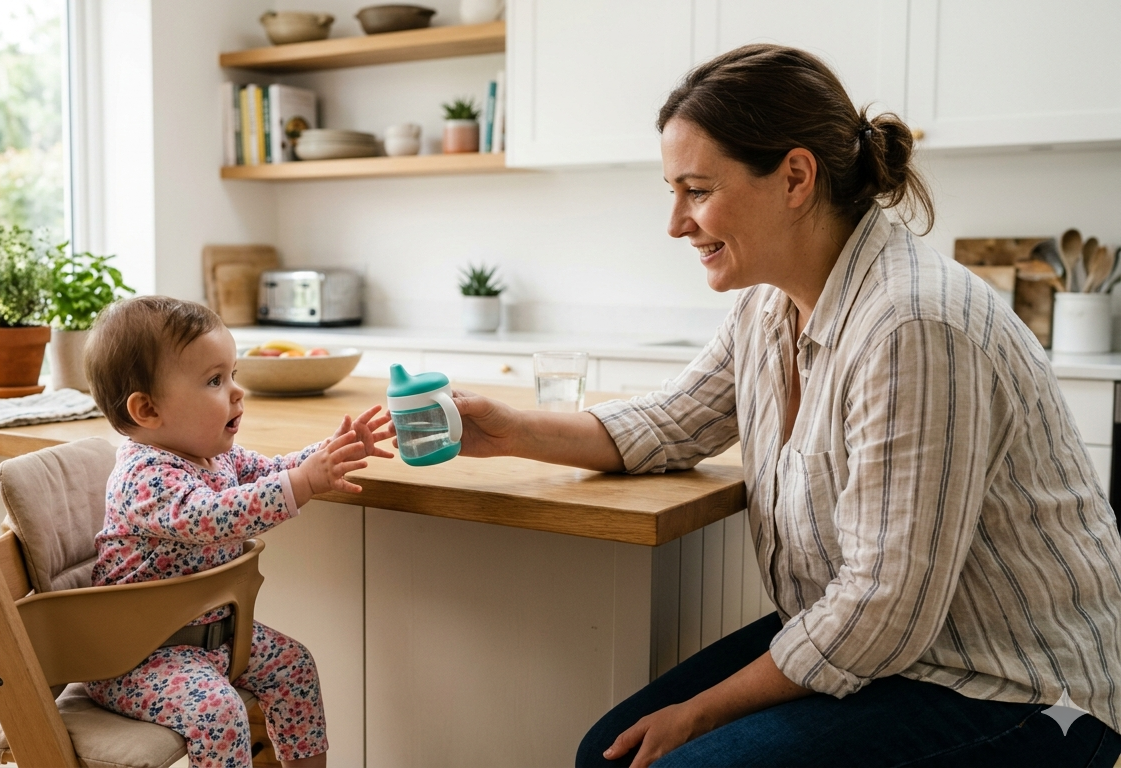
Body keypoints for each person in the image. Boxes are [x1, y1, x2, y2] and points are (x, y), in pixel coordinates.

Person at [449, 45, 1121, 768]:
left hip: (1007, 687)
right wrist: (508, 429)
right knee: (606, 755)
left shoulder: (912, 326)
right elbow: (671, 425)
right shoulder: (770, 306)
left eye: (697, 190)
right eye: (672, 191)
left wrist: (695, 714)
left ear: (796, 177)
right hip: (887, 653)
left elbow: (880, 608)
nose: (676, 222)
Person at [81, 295, 394, 768]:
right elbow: (212, 516)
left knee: (294, 666)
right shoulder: (143, 477)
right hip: (135, 656)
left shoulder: (215, 455)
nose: (235, 392)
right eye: (214, 380)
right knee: (218, 711)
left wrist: (329, 452)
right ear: (147, 410)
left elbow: (271, 470)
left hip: (211, 638)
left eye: (233, 375)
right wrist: (304, 482)